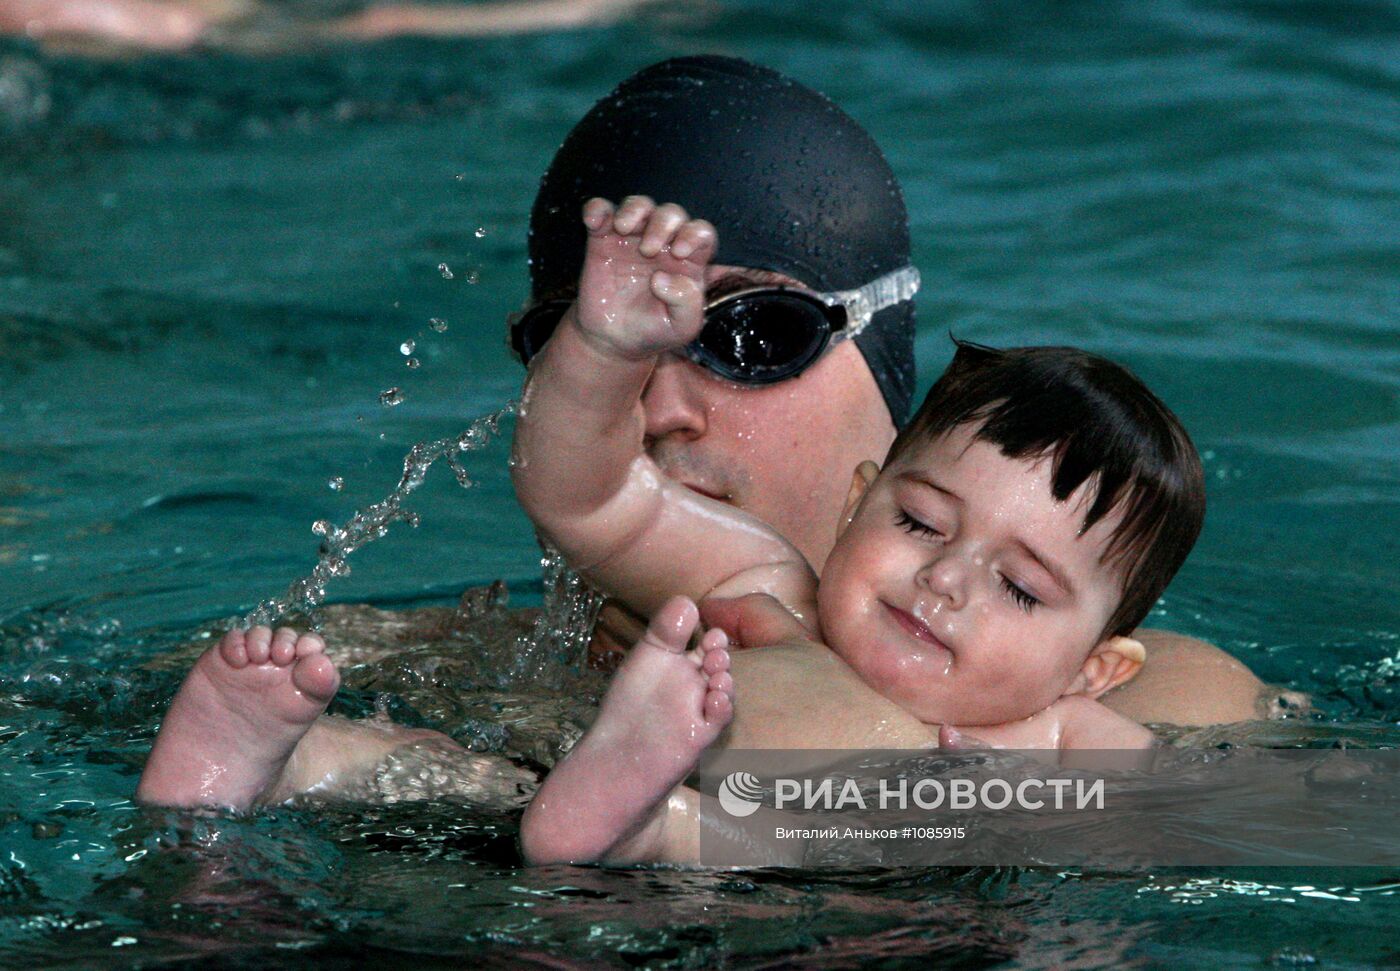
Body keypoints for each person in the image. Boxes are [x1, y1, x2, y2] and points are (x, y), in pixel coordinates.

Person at [135, 55, 1279, 815]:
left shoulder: (1157, 693)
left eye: (752, 335)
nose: (662, 407)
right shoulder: (383, 661)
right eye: (589, 343)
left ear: (890, 391)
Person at [512, 195, 1202, 865]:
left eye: (1021, 588)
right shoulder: (763, 584)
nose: (946, 579)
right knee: (704, 836)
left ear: (1092, 671)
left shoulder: (1061, 739)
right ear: (857, 504)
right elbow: (584, 499)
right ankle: (627, 818)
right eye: (920, 522)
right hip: (737, 859)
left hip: (928, 910)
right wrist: (601, 350)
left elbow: (1176, 833)